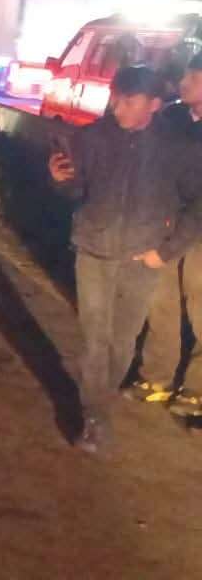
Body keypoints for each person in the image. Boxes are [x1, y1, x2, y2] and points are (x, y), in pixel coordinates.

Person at [47, 65, 202, 454]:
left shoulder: (176, 148)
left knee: (122, 341)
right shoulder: (93, 137)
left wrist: (165, 252)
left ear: (153, 105)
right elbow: (77, 191)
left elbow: (197, 204)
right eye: (117, 99)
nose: (118, 108)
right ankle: (95, 416)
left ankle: (100, 401)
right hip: (94, 251)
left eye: (129, 101)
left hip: (142, 259)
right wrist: (62, 181)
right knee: (95, 339)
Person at [128, 53, 202, 413]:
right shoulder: (173, 118)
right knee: (160, 300)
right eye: (186, 74)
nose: (184, 82)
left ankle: (197, 389)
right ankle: (158, 377)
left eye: (195, 77)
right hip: (170, 223)